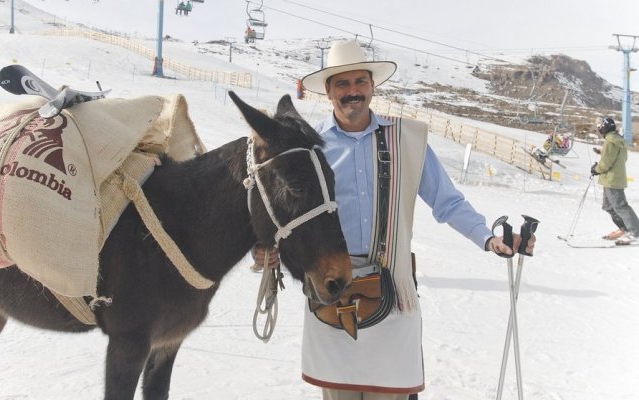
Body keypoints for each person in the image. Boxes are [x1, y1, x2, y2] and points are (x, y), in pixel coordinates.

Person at [252, 39, 536, 399]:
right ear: (328, 91)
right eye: (342, 84)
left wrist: (487, 237)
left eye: (360, 82)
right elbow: (283, 215)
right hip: (330, 293)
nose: (352, 92)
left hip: (392, 292)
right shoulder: (310, 148)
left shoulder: (405, 140)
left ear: (372, 86)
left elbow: (447, 201)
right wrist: (265, 251)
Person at [591, 117, 638, 244]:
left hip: (612, 179)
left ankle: (635, 232)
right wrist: (602, 153)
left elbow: (606, 163)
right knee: (608, 206)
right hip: (611, 178)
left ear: (604, 128)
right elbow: (618, 157)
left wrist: (596, 169)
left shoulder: (610, 141)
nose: (599, 129)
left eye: (600, 127)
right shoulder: (618, 140)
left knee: (620, 206)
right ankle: (624, 229)